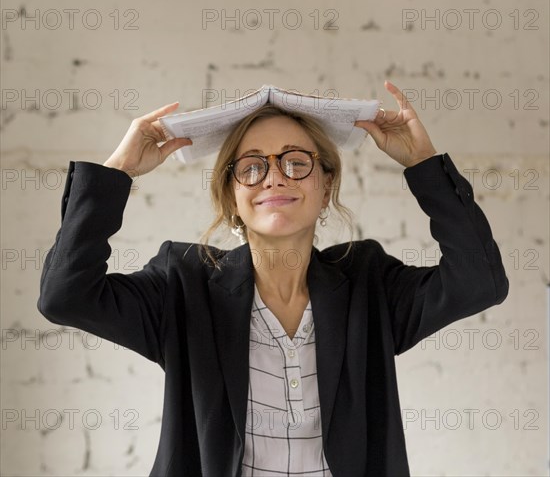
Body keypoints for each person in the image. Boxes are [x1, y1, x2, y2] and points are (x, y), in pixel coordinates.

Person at [38, 81, 509, 476]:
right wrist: (119, 170)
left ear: (326, 187)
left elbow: (477, 281)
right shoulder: (184, 285)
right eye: (252, 166)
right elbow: (65, 295)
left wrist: (423, 164)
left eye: (296, 162)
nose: (275, 178)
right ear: (231, 195)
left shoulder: (369, 283)